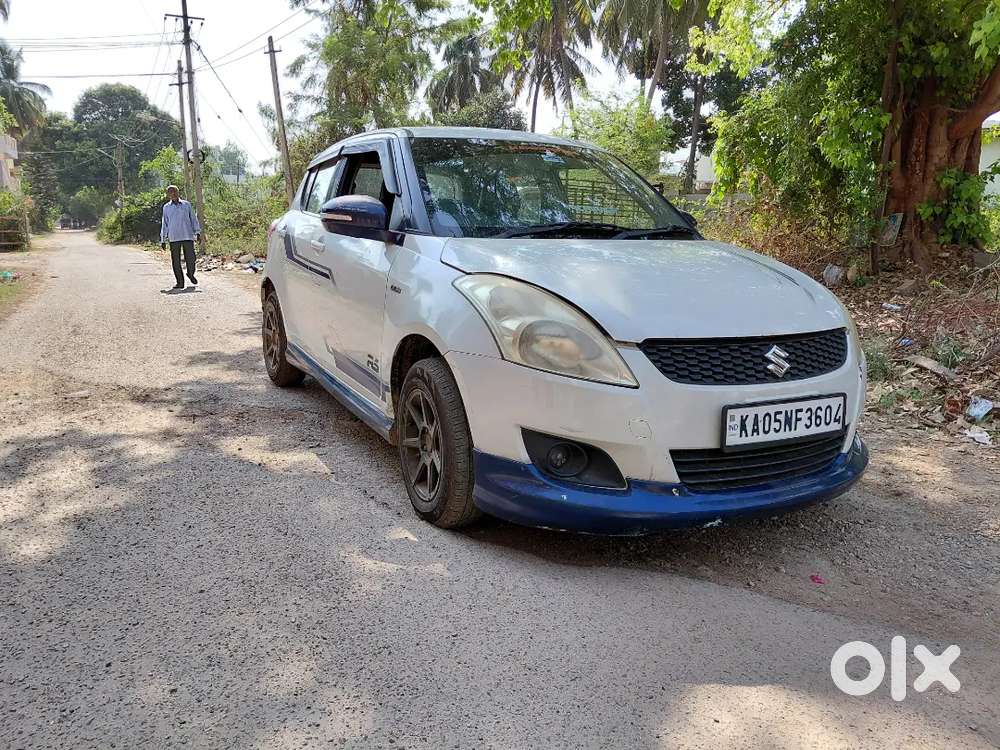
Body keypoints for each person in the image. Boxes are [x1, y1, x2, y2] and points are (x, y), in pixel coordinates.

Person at [160, 185, 202, 290]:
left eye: (174, 192)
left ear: (178, 193)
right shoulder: (166, 207)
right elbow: (165, 224)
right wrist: (163, 239)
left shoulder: (186, 205)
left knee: (191, 258)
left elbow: (193, 219)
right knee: (176, 261)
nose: (173, 194)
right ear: (168, 195)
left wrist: (197, 232)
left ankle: (190, 273)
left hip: (187, 235)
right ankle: (180, 282)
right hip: (174, 237)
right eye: (170, 192)